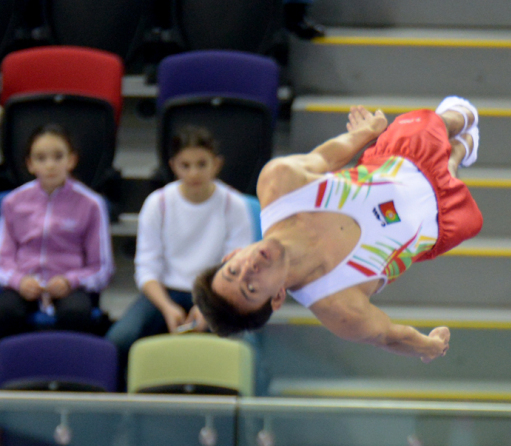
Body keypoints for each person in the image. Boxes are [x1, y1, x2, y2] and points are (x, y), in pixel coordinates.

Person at [193, 97, 483, 363]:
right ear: (277, 298)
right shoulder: (340, 309)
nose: (249, 269)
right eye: (251, 288)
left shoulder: (278, 184)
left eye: (233, 270)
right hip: (437, 218)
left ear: (232, 254)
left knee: (450, 119)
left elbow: (327, 157)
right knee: (452, 169)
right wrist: (429, 346)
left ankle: (456, 126)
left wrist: (368, 131)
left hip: (399, 157)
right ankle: (457, 155)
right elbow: (390, 335)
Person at [106, 126, 253, 375]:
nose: (194, 172)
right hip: (166, 292)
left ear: (216, 164)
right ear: (173, 166)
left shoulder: (234, 205)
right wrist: (166, 306)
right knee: (118, 340)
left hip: (216, 292)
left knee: (246, 348)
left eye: (201, 164)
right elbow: (146, 268)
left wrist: (209, 307)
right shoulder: (158, 203)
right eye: (185, 165)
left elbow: (236, 267)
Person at [0, 124, 114, 338]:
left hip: (69, 284)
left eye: (58, 157)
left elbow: (102, 268)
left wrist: (70, 281)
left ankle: (69, 369)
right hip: (24, 282)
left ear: (71, 160)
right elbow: (2, 260)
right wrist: (18, 281)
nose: (50, 165)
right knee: (5, 311)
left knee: (76, 313)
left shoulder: (91, 204)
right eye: (41, 158)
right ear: (30, 164)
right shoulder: (13, 202)